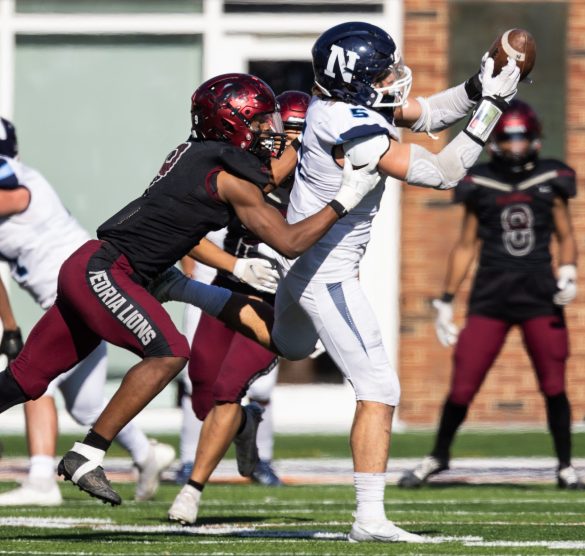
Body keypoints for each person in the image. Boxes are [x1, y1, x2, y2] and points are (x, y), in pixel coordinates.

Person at [152, 21, 523, 543]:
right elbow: (444, 172)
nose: (395, 75)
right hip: (327, 275)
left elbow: (430, 112)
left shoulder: (341, 107)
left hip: (302, 272)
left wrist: (479, 84)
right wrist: (493, 109)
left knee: (289, 344)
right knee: (378, 387)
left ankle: (181, 287)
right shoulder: (357, 128)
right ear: (355, 79)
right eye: (383, 70)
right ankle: (369, 518)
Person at [0, 73, 381, 507]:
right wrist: (345, 198)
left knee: (23, 380)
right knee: (170, 351)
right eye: (260, 124)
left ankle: (89, 451)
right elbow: (290, 239)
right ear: (232, 124)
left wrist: (296, 144)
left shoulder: (203, 157)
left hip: (98, 267)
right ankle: (87, 453)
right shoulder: (226, 174)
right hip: (107, 271)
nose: (269, 134)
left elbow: (265, 180)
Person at [397, 100, 585, 491]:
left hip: (539, 295)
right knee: (464, 382)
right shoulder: (478, 180)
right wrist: (446, 300)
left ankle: (566, 466)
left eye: (521, 139)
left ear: (534, 139)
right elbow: (465, 245)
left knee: (553, 383)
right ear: (496, 142)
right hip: (490, 296)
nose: (516, 147)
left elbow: (566, 234)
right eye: (509, 139)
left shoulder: (553, 176)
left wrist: (568, 271)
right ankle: (439, 456)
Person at [0, 117, 175, 505]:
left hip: (86, 289)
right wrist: (9, 325)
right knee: (84, 404)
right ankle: (147, 453)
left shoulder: (20, 185)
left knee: (32, 377)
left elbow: (10, 196)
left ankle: (42, 479)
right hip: (67, 299)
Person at [168, 90, 310, 521]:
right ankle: (246, 424)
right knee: (203, 394)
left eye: (285, 131)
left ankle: (192, 491)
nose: (273, 137)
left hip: (276, 301)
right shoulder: (245, 171)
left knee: (228, 390)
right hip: (229, 288)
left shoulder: (317, 181)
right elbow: (190, 221)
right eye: (273, 129)